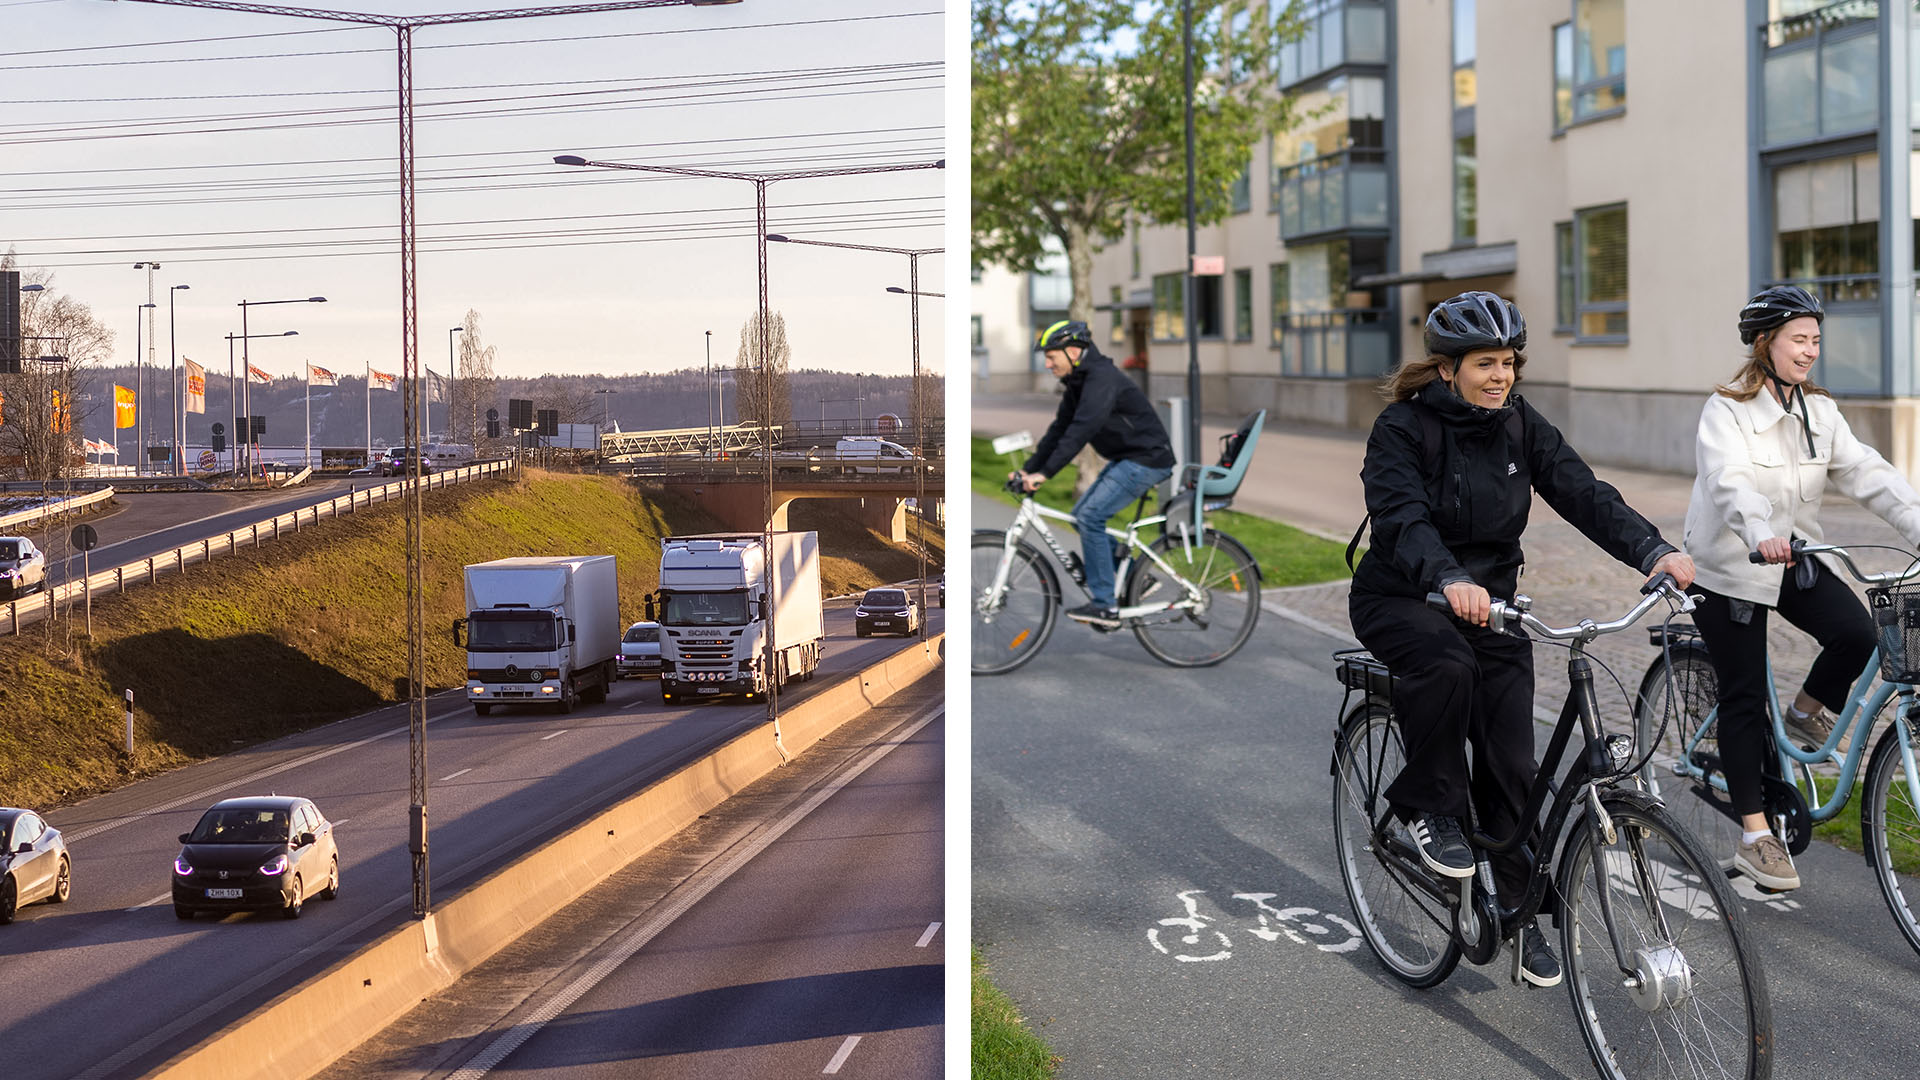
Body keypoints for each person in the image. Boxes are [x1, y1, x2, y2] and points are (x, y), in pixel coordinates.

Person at [1349, 290, 1694, 987]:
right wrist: (1447, 578)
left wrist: (1652, 551)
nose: (1500, 375)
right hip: (1404, 596)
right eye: (1484, 363)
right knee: (1446, 668)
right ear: (1447, 369)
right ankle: (1432, 811)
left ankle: (1519, 910)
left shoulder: (1519, 425)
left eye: (1508, 362)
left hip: (1495, 608)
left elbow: (1582, 491)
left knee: (1513, 764)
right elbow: (1402, 519)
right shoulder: (1401, 429)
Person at [1682, 284, 1920, 892]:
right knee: (1741, 699)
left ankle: (1806, 712)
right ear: (1765, 343)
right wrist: (1760, 530)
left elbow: (1872, 475)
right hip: (1731, 563)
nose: (1810, 350)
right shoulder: (1727, 410)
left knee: (1860, 635)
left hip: (1794, 559)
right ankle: (1756, 838)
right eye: (1799, 339)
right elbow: (1731, 481)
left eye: (1816, 339)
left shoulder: (1821, 412)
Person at [1011, 319, 1176, 626]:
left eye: (1051, 356)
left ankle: (1105, 605)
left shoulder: (1101, 380)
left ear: (1073, 351)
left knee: (1090, 517)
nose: (1047, 364)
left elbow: (1081, 430)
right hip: (1127, 458)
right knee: (1082, 514)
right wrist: (1028, 470)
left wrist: (1045, 473)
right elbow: (1059, 430)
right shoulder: (1079, 382)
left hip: (1146, 460)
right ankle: (1138, 580)